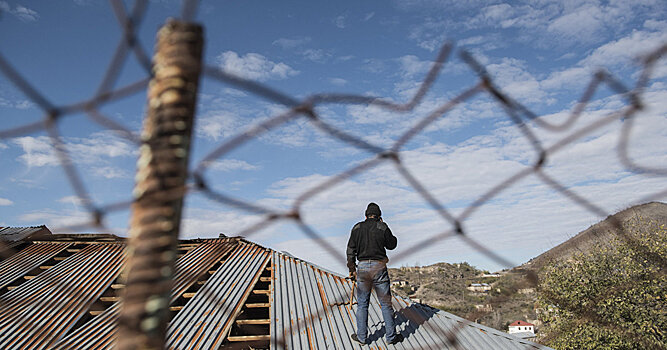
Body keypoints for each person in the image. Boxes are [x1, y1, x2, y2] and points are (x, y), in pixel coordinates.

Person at [347, 202, 404, 345]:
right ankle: (391, 338)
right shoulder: (382, 227)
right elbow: (392, 244)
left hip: (363, 268)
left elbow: (350, 250)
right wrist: (385, 225)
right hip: (379, 268)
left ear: (365, 216)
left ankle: (362, 338)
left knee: (362, 304)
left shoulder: (357, 227)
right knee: (385, 303)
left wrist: (352, 269)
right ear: (379, 216)